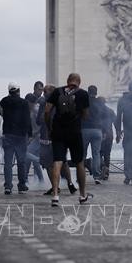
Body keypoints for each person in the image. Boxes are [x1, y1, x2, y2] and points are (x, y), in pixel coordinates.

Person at [45, 73, 93, 207]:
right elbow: (85, 115)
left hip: (58, 131)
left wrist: (49, 128)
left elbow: (47, 111)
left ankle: (55, 195)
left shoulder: (56, 91)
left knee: (58, 161)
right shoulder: (83, 94)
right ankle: (82, 195)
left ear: (67, 81)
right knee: (79, 163)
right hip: (75, 132)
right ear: (79, 82)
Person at [38, 84, 77, 195]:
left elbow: (40, 120)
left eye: (45, 92)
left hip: (49, 138)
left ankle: (56, 187)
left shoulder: (46, 104)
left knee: (49, 164)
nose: (43, 94)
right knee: (62, 162)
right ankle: (70, 184)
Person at [0, 82, 32, 194]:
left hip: (8, 134)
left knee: (8, 162)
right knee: (21, 162)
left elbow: (1, 113)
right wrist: (30, 134)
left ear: (9, 91)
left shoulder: (4, 101)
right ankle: (21, 185)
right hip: (20, 136)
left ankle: (8, 186)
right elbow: (28, 120)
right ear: (18, 91)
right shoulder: (24, 103)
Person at [82, 85, 106, 184]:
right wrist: (104, 131)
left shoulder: (84, 102)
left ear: (88, 92)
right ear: (96, 93)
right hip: (97, 130)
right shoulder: (100, 103)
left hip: (85, 129)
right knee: (96, 154)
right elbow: (104, 118)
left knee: (82, 154)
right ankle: (96, 176)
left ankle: (81, 175)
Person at [25, 93, 45, 187]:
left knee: (28, 155)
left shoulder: (36, 110)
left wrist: (33, 136)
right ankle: (40, 181)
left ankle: (27, 180)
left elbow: (41, 125)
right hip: (34, 137)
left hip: (38, 137)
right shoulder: (30, 110)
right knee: (31, 158)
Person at [98, 96, 116, 180]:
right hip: (109, 135)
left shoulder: (96, 111)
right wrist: (119, 133)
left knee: (98, 153)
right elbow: (116, 123)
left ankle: (101, 169)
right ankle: (106, 173)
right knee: (107, 154)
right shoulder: (110, 111)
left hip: (100, 134)